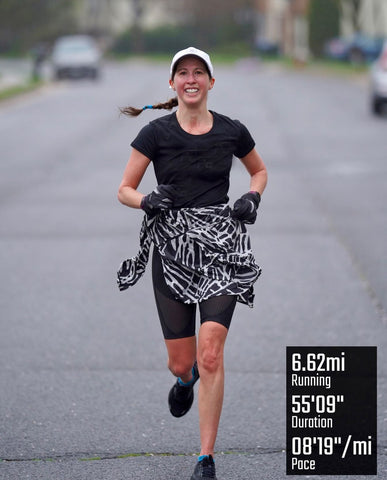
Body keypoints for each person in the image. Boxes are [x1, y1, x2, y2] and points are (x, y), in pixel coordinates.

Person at [117, 47, 267, 480]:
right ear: (172, 84)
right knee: (184, 362)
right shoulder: (155, 134)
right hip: (172, 250)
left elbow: (259, 172)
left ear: (211, 82)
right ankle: (185, 382)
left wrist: (251, 197)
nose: (190, 78)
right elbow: (124, 189)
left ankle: (205, 458)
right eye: (182, 72)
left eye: (198, 72)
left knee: (212, 353)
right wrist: (147, 200)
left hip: (223, 247)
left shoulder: (232, 130)